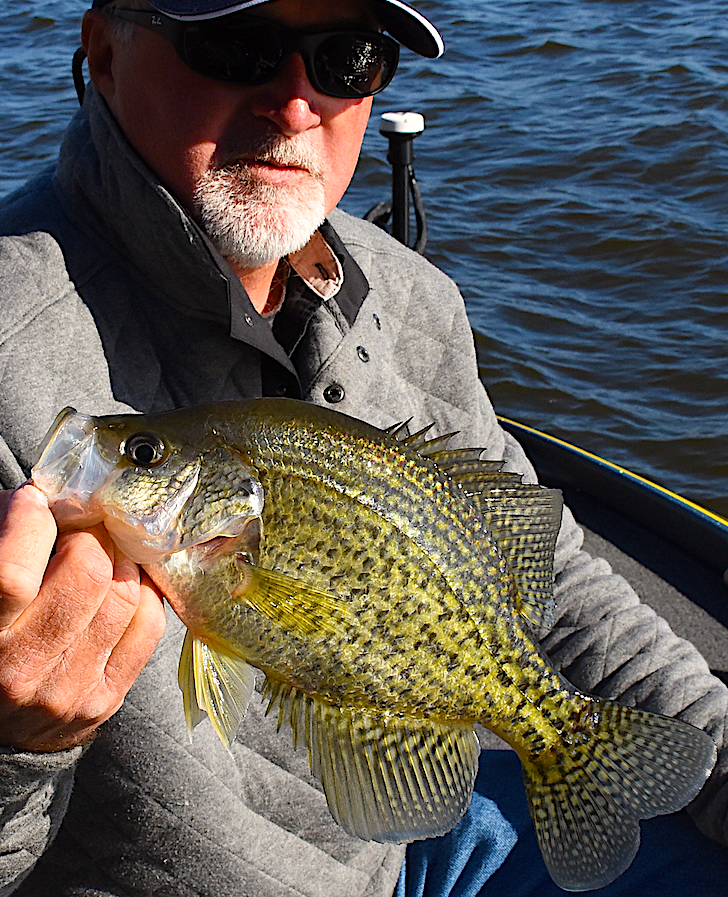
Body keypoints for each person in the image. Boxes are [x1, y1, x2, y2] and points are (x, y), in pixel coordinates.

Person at [0, 1, 726, 895]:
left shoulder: (413, 297)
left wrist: (719, 754)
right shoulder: (11, 354)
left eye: (347, 58)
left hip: (429, 842)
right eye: (239, 45)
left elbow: (552, 581)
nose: (297, 102)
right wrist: (15, 751)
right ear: (106, 53)